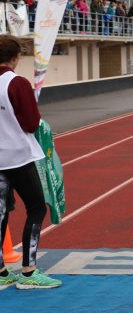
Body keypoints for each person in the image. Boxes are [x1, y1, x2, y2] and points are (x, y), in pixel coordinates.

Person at [0, 36, 62, 289]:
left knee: (1, 213)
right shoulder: (16, 83)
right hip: (18, 156)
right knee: (36, 207)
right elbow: (30, 123)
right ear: (15, 58)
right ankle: (28, 272)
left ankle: (2, 271)